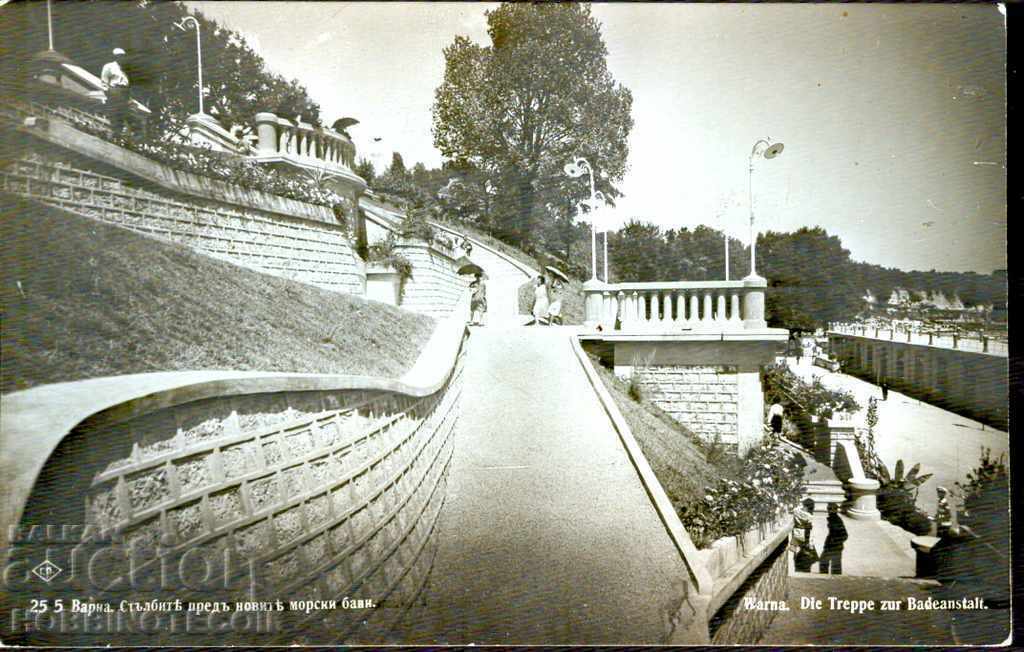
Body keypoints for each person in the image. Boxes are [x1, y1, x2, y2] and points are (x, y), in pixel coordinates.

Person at [101, 48, 131, 140]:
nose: (122, 58)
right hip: (114, 91)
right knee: (114, 113)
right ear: (116, 56)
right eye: (120, 56)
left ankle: (117, 137)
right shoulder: (109, 66)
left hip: (123, 93)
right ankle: (109, 135)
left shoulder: (123, 71)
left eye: (123, 57)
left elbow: (126, 84)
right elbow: (104, 80)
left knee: (121, 115)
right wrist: (108, 92)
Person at [819, 503, 848, 574]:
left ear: (834, 510)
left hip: (833, 547)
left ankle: (825, 578)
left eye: (829, 509)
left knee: (825, 562)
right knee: (834, 565)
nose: (828, 511)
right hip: (834, 546)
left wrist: (834, 542)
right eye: (828, 509)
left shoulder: (835, 520)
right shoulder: (833, 518)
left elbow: (844, 535)